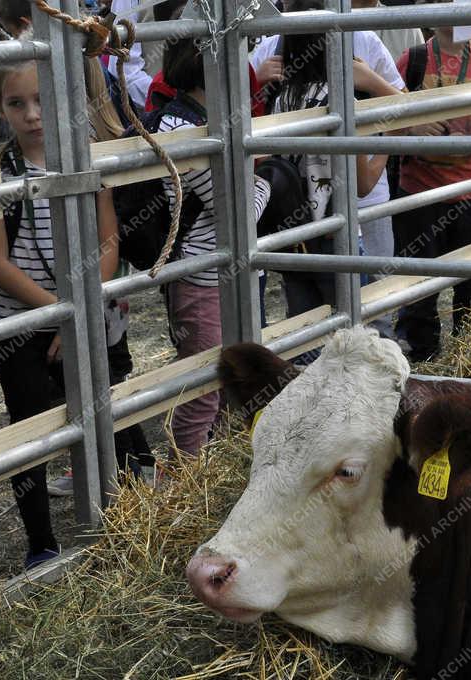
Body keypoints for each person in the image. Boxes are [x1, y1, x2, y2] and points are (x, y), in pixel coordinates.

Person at [0, 55, 121, 565]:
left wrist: (81, 308)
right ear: (0, 107)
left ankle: (112, 518)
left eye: (42, 101)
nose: (31, 114)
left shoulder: (86, 159)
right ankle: (41, 541)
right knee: (30, 430)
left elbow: (108, 240)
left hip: (81, 312)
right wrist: (61, 313)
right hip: (21, 322)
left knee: (97, 412)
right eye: (17, 103)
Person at [254, 0, 400, 341]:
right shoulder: (339, 100)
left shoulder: (281, 98)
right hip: (337, 236)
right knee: (361, 333)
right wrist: (387, 144)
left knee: (308, 337)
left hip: (295, 237)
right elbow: (362, 184)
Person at [156, 34, 271, 456]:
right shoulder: (183, 127)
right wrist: (265, 184)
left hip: (220, 270)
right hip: (202, 272)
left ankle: (214, 475)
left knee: (231, 382)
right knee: (203, 389)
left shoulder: (203, 118)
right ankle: (183, 487)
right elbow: (237, 210)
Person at [392, 16, 471, 363]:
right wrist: (414, 129)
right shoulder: (412, 60)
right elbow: (387, 122)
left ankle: (468, 361)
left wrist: (470, 142)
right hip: (419, 195)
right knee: (418, 291)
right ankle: (421, 361)